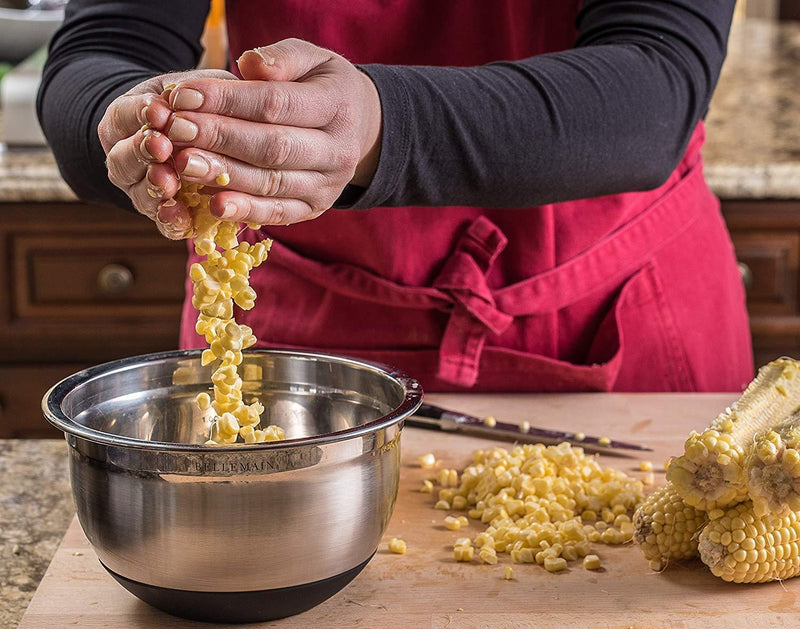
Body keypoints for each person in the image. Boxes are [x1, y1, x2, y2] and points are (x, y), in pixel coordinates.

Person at [38, 0, 752, 393]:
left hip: (613, 309)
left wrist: (381, 125)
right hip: (295, 331)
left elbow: (654, 89)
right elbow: (101, 50)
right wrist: (133, 118)